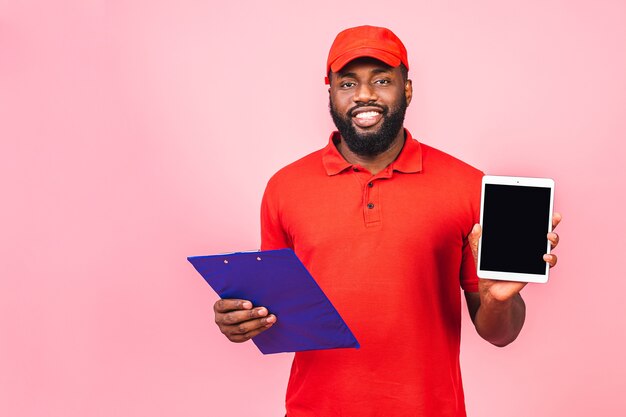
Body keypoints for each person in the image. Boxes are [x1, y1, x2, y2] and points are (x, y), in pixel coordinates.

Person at [213, 25, 561, 417]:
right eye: (347, 83)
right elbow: (275, 314)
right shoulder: (284, 188)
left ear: (407, 90)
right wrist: (241, 319)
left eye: (381, 80)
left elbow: (500, 334)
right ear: (329, 92)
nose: (364, 94)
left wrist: (500, 299)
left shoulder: (468, 186)